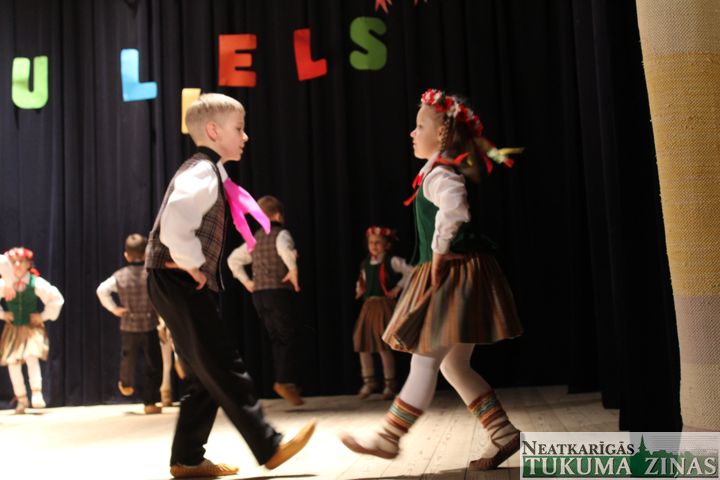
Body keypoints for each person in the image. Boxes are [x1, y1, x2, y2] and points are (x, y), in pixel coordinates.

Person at [340, 89, 523, 471]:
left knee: (426, 359)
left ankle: (389, 437)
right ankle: (503, 433)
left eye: (419, 126)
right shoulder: (433, 171)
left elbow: (455, 207)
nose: (412, 132)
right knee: (454, 365)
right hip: (459, 273)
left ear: (441, 134)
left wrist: (439, 251)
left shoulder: (440, 174)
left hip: (454, 274)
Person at [145, 93, 315, 478]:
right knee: (223, 365)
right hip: (177, 277)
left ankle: (187, 458)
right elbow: (175, 222)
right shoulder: (202, 172)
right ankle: (268, 444)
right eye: (239, 128)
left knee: (205, 374)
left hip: (171, 279)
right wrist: (192, 264)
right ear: (213, 131)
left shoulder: (207, 171)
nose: (245, 136)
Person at [227, 195, 305, 406]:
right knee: (287, 336)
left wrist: (247, 282)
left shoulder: (254, 239)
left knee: (277, 338)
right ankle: (285, 381)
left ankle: (286, 381)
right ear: (278, 215)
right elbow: (285, 250)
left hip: (259, 295)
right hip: (277, 293)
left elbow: (233, 259)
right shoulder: (281, 234)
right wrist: (293, 269)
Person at [96, 234, 163, 414]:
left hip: (129, 324)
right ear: (146, 253)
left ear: (126, 255)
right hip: (149, 324)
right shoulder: (152, 273)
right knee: (154, 363)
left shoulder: (120, 276)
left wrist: (114, 309)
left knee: (128, 357)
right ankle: (150, 402)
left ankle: (126, 383)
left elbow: (101, 290)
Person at [0, 247, 64, 414]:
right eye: (13, 262)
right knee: (13, 363)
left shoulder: (36, 283)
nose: (17, 265)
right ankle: (21, 399)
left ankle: (36, 393)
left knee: (31, 357)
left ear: (29, 264)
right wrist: (3, 314)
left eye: (21, 261)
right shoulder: (5, 284)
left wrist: (42, 316)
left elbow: (56, 299)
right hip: (14, 329)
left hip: (31, 328)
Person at [353, 226, 412, 400]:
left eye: (378, 243)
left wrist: (398, 288)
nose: (374, 246)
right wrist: (359, 289)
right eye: (371, 243)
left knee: (383, 346)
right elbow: (362, 280)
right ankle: (369, 382)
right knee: (363, 344)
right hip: (369, 307)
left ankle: (389, 384)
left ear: (387, 245)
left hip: (384, 306)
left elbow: (411, 271)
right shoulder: (366, 263)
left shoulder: (391, 261)